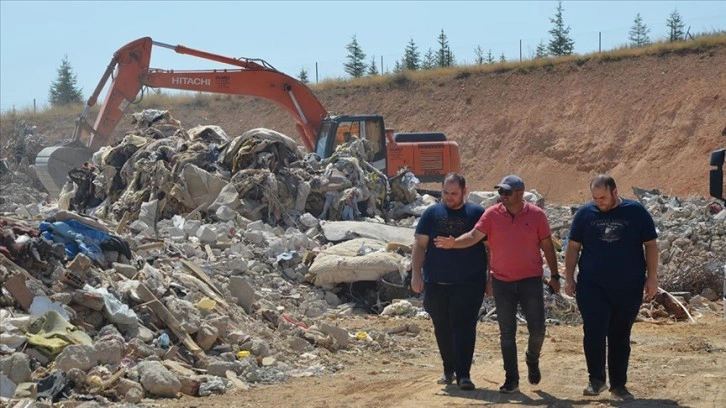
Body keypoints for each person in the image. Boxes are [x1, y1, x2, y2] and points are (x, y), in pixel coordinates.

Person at [434, 174, 559, 394]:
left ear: (520, 194)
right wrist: (454, 243)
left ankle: (532, 358)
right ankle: (512, 379)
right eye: (500, 192)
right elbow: (474, 236)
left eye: (507, 192)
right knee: (506, 333)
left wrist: (555, 276)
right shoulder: (492, 214)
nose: (502, 196)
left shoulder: (537, 216)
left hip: (530, 280)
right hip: (502, 282)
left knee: (538, 330)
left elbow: (547, 246)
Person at [564, 174, 658, 401]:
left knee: (620, 334)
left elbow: (651, 246)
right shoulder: (585, 214)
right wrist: (569, 278)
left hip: (628, 286)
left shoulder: (636, 212)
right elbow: (573, 247)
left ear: (615, 192)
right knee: (594, 330)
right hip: (592, 286)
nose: (599, 202)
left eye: (603, 197)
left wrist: (652, 278)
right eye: (595, 198)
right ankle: (596, 380)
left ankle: (618, 385)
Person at [411, 172, 488, 391]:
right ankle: (448, 370)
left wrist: (490, 277)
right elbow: (419, 245)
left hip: (469, 283)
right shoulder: (431, 214)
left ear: (464, 191)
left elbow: (489, 247)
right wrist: (416, 274)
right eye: (446, 193)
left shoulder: (477, 213)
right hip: (436, 283)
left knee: (464, 327)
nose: (449, 197)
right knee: (442, 328)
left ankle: (464, 374)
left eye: (454, 193)